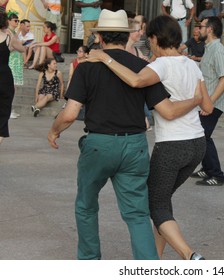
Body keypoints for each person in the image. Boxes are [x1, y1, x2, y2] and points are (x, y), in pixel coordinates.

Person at [48, 9, 205, 260]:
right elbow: (165, 108)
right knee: (138, 213)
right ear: (126, 36)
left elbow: (70, 114)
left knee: (86, 206)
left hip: (98, 144)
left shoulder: (87, 66)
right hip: (134, 146)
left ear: (99, 37)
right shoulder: (144, 67)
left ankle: (89, 262)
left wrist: (54, 131)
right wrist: (195, 100)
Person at [87, 14, 213, 260]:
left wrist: (104, 57)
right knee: (161, 201)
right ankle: (154, 261)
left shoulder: (161, 65)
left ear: (156, 38)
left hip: (172, 147)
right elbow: (207, 105)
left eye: (149, 40)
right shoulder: (191, 64)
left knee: (154, 204)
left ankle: (190, 256)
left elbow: (135, 80)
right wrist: (195, 100)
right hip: (197, 144)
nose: (149, 45)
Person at [191, 16, 224, 186]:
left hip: (215, 101)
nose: (198, 29)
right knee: (202, 135)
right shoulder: (209, 47)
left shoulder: (218, 49)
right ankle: (207, 168)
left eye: (201, 26)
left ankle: (216, 175)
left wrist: (210, 103)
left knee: (202, 135)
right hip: (208, 100)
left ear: (210, 30)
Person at [0, 11, 24, 145]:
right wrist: (13, 37)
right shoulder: (9, 37)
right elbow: (22, 49)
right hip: (4, 78)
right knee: (3, 114)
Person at [7, 11, 24, 119]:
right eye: (15, 20)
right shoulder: (8, 32)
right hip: (11, 60)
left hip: (16, 60)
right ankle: (8, 109)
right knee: (10, 87)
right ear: (9, 21)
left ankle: (9, 108)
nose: (17, 22)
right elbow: (9, 47)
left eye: (18, 20)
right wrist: (19, 45)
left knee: (13, 87)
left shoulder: (12, 32)